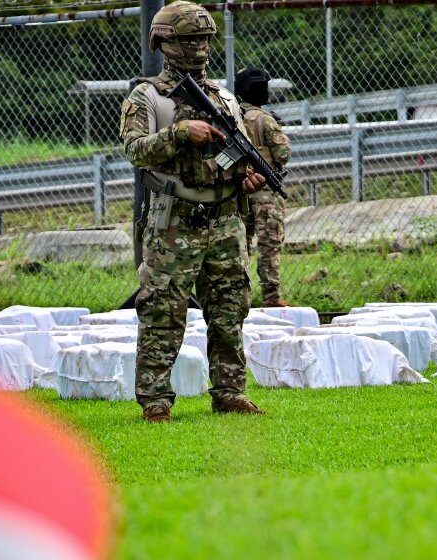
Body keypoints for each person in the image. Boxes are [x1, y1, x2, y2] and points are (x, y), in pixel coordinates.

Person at [119, 0, 267, 423]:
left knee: (229, 308)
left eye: (204, 39)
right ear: (165, 42)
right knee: (163, 310)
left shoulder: (223, 97)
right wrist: (181, 132)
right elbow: (134, 149)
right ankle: (155, 400)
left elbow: (234, 159)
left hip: (223, 219)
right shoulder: (148, 97)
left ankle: (230, 392)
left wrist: (247, 179)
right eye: (190, 40)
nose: (199, 47)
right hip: (174, 221)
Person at [234, 67, 292, 308]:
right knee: (269, 244)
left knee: (240, 245)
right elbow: (283, 154)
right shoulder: (265, 120)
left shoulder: (233, 117)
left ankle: (239, 297)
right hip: (266, 192)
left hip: (239, 190)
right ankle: (271, 297)